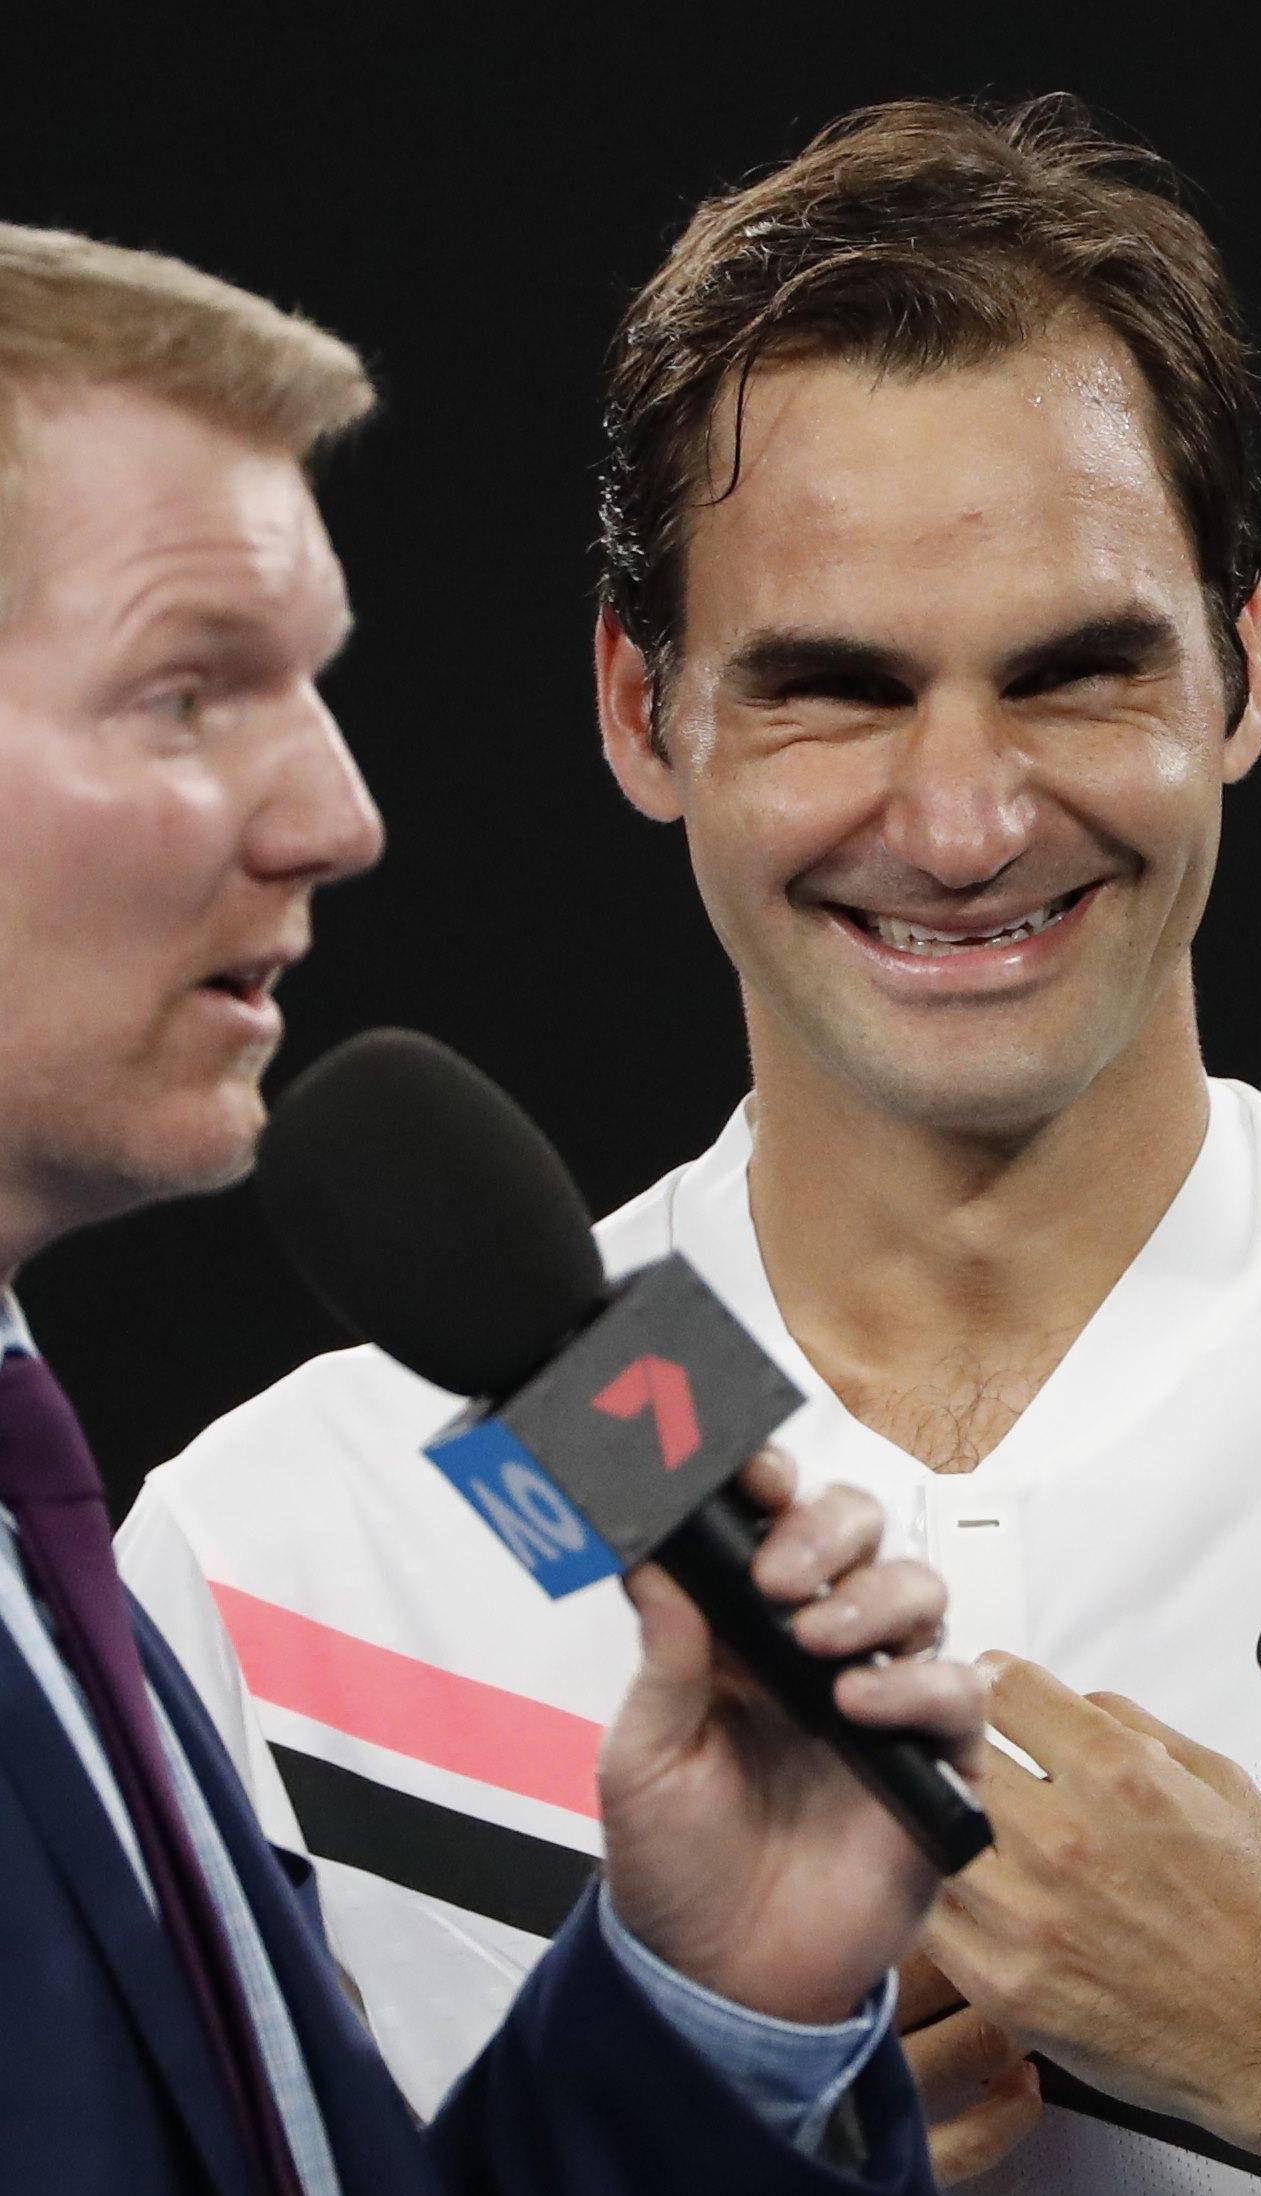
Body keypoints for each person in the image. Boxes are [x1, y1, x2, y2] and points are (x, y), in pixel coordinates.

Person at [118, 97, 1261, 2196]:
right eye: (833, 692)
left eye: (1074, 675)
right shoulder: (272, 1555)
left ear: (1239, 672)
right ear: (643, 709)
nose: (964, 825)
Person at [0, 218, 990, 2195]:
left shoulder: (52, 1577)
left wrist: (713, 2009)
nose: (339, 816)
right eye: (189, 691)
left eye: (309, 684)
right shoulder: (236, 1530)